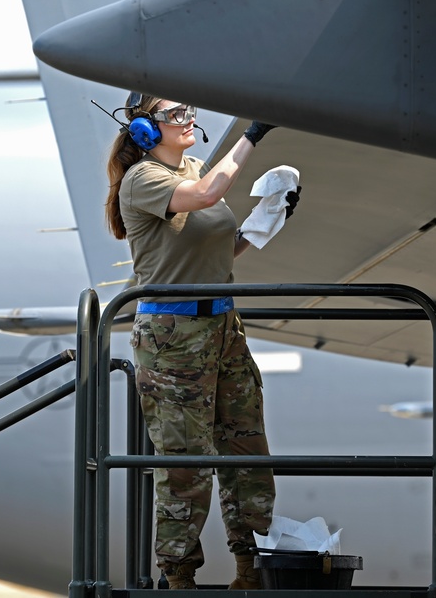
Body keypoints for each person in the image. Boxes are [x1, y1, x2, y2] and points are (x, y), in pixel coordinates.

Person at [104, 93, 299, 590]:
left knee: (245, 444)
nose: (189, 119)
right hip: (173, 334)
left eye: (190, 110)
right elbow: (207, 197)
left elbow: (218, 252)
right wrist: (252, 135)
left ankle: (251, 569)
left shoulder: (193, 167)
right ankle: (180, 578)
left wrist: (264, 222)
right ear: (146, 131)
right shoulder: (143, 178)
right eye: (175, 114)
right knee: (185, 458)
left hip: (222, 326)